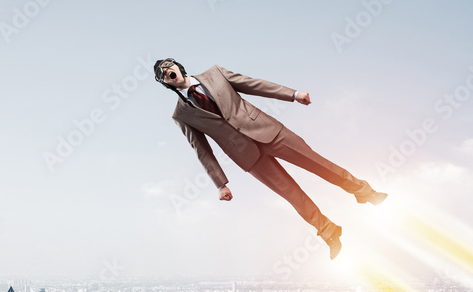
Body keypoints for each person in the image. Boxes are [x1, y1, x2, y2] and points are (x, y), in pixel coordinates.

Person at [155, 58, 386, 259]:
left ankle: (363, 192)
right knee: (291, 194)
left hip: (269, 131)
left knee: (318, 164)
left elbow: (255, 85)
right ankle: (329, 232)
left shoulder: (215, 73)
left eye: (168, 67)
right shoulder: (181, 115)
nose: (168, 72)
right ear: (165, 83)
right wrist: (221, 184)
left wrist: (293, 94)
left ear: (177, 65)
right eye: (163, 75)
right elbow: (201, 149)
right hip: (245, 155)